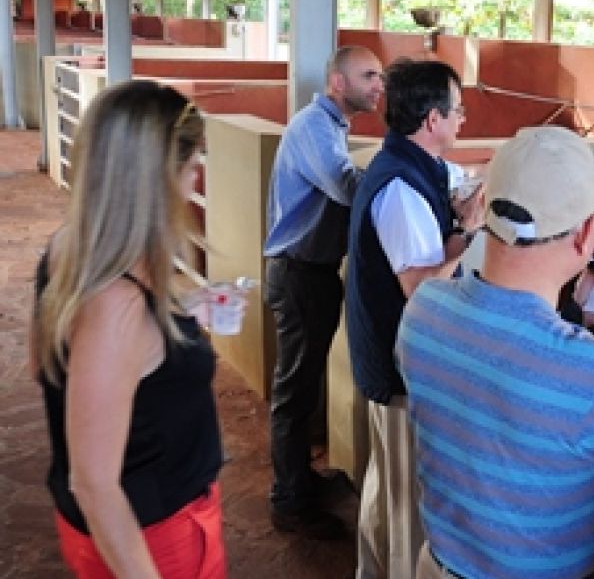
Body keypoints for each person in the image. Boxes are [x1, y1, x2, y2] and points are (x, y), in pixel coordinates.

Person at [397, 126, 594, 579]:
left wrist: (575, 322)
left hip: (440, 566)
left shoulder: (424, 310)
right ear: (588, 233)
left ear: (484, 207)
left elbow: (504, 364)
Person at [32, 80, 225, 577]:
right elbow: (93, 483)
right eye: (191, 160)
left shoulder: (72, 248)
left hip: (142, 518)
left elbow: (59, 362)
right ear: (156, 175)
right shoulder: (118, 306)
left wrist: (181, 312)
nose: (197, 172)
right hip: (152, 535)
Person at [345, 58, 485, 578]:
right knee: (406, 503)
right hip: (400, 365)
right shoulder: (401, 188)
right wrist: (470, 235)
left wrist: (460, 221)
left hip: (390, 358)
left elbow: (427, 257)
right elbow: (422, 288)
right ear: (432, 120)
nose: (463, 120)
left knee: (387, 486)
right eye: (458, 112)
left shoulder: (414, 168)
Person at [263, 44, 384, 539]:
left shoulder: (331, 126)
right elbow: (348, 187)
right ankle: (289, 501)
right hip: (299, 274)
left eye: (380, 77)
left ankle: (301, 480)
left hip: (312, 273)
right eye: (369, 76)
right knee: (293, 391)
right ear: (338, 82)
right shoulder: (315, 126)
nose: (379, 85)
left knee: (304, 383)